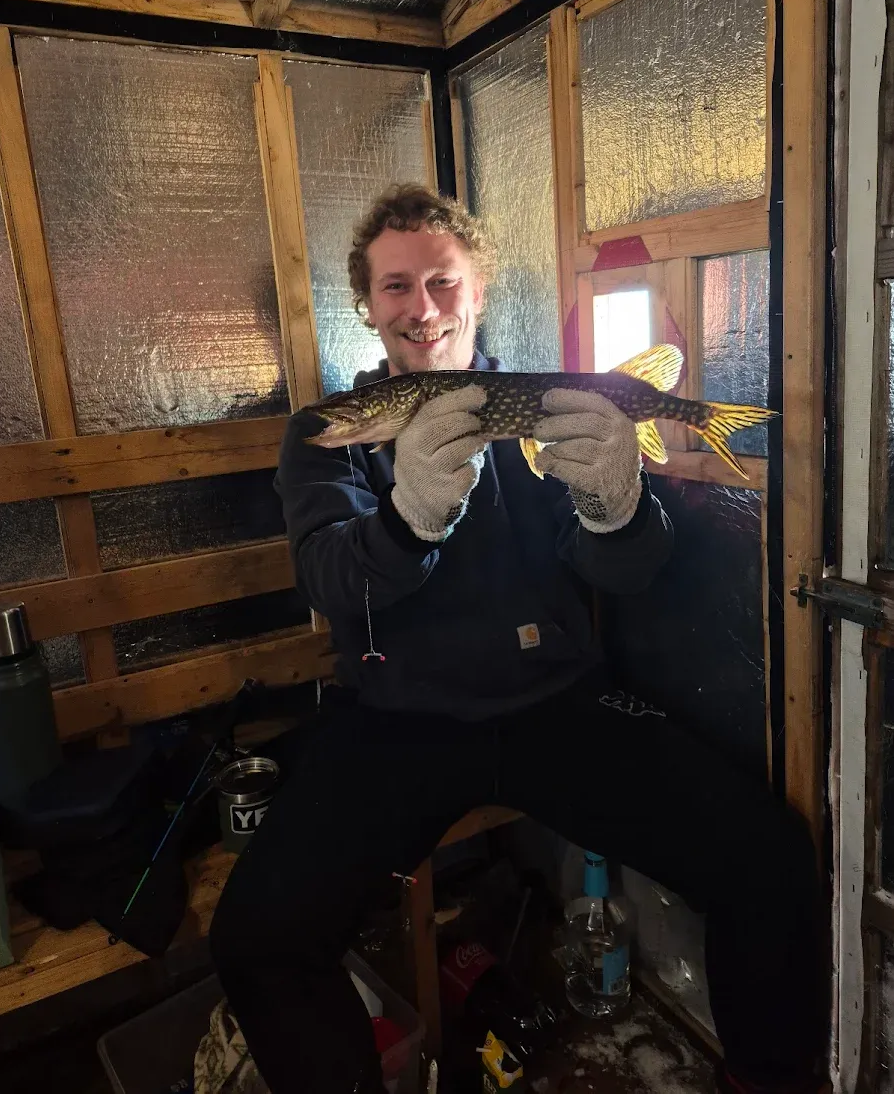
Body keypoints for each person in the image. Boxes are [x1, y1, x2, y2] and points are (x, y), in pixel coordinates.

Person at [210, 183, 826, 1094]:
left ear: (479, 291)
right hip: (400, 717)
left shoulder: (552, 406)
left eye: (443, 282)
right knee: (258, 936)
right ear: (367, 305)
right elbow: (330, 575)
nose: (421, 308)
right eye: (395, 287)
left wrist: (621, 508)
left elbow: (628, 572)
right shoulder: (329, 434)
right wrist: (409, 518)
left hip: (556, 706)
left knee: (766, 855)